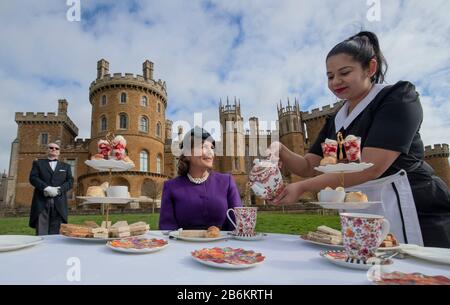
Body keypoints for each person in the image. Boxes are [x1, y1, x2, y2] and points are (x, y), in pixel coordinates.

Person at [268, 31, 450, 248]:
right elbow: (309, 166)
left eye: (344, 72)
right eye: (330, 76)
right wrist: (281, 149)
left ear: (370, 68)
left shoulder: (398, 97)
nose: (336, 81)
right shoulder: (335, 120)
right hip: (363, 215)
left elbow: (370, 168)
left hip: (416, 211)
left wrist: (301, 188)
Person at [159, 127, 242, 231]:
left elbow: (238, 224)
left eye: (212, 148)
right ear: (187, 155)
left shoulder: (227, 182)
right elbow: (167, 229)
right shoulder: (171, 187)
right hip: (184, 246)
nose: (210, 152)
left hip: (222, 245)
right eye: (203, 147)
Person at [29, 142, 73, 235]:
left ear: (59, 152)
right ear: (47, 150)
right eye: (51, 147)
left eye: (57, 148)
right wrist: (46, 188)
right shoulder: (38, 163)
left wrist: (59, 189)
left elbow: (70, 182)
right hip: (41, 200)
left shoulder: (66, 166)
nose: (54, 149)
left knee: (57, 232)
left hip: (59, 201)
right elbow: (33, 178)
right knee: (41, 230)